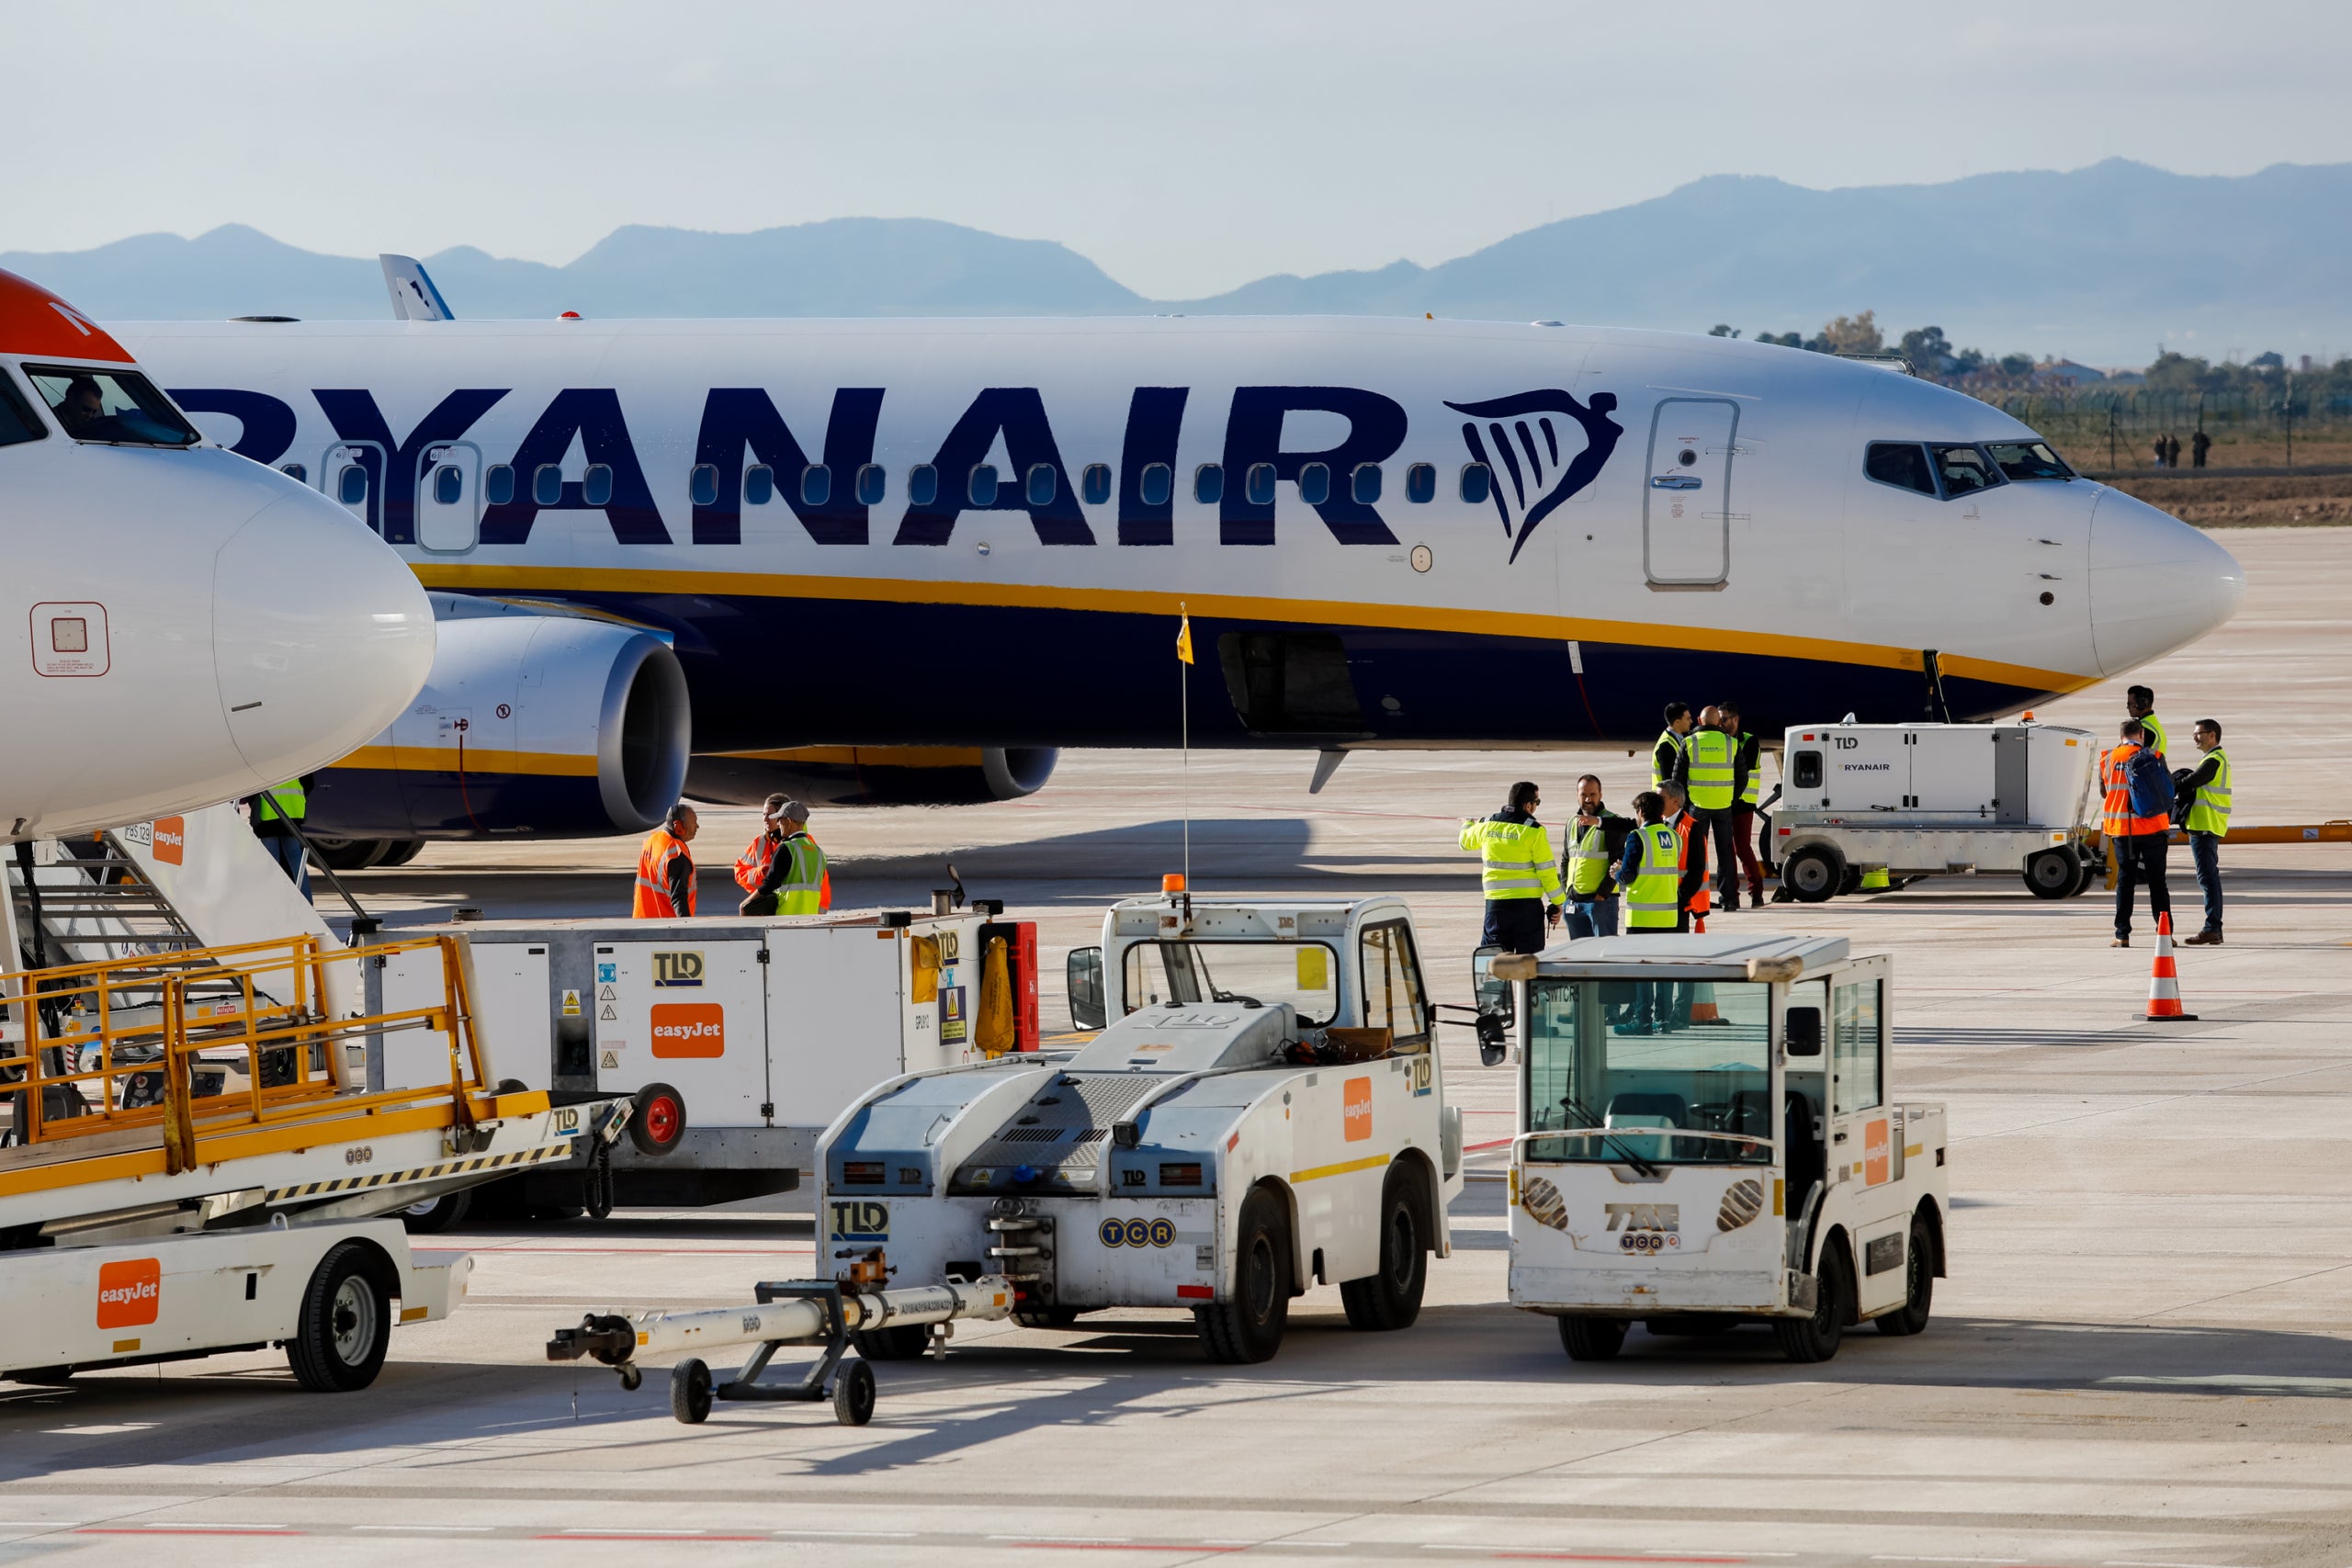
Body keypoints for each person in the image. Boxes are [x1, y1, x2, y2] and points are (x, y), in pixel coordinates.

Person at [1460, 781, 1564, 954]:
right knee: (1528, 964)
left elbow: (1464, 842)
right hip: (1527, 910)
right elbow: (1547, 872)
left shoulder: (1487, 825)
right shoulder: (1534, 831)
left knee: (1494, 961)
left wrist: (1467, 824)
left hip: (1496, 907)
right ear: (1528, 806)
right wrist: (1558, 901)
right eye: (1537, 803)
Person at [1614, 791, 1683, 1034]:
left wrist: (1617, 872)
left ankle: (1643, 1020)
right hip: (1668, 916)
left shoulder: (1638, 836)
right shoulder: (1674, 837)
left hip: (1643, 915)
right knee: (1664, 972)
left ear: (1641, 812)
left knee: (1643, 972)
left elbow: (1629, 875)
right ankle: (1664, 1020)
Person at [2103, 720, 2171, 947]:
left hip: (2123, 830)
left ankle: (2122, 934)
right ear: (2141, 734)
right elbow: (2166, 788)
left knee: (2125, 881)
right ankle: (2165, 933)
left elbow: (2105, 791)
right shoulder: (2155, 755)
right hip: (2153, 827)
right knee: (2157, 882)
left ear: (2121, 735)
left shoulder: (2108, 758)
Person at [1674, 706, 1744, 913]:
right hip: (1723, 806)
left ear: (1699, 720)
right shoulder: (1731, 743)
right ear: (1719, 722)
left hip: (1697, 807)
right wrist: (1730, 797)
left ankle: (1695, 898)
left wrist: (1686, 805)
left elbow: (1677, 779)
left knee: (1696, 855)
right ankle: (1729, 899)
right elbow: (1742, 777)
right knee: (1725, 854)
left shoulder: (1689, 743)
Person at [2178, 719, 2231, 945]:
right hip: (2206, 826)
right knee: (2209, 878)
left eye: (2199, 733)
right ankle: (2214, 928)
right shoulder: (2213, 759)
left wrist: (2175, 783)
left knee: (2207, 879)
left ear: (2212, 735)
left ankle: (2213, 928)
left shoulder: (2213, 760)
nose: (2195, 737)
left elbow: (2192, 782)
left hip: (2205, 826)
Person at [1558, 773, 1629, 940]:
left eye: (1593, 795)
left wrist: (1601, 895)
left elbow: (1618, 861)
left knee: (1603, 955)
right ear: (1577, 795)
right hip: (1574, 902)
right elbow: (1565, 859)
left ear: (1600, 795)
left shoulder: (1610, 821)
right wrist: (1567, 892)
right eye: (1583, 795)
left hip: (1599, 902)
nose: (1588, 799)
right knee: (1579, 957)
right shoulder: (1572, 822)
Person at [1718, 700, 1769, 906]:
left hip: (1743, 802)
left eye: (1724, 719)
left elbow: (1743, 769)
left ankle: (1756, 891)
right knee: (1726, 850)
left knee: (1742, 848)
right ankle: (1732, 895)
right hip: (1723, 801)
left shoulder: (1748, 741)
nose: (1721, 724)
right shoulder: (1719, 741)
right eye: (1719, 720)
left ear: (1736, 719)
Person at [741, 799, 826, 916]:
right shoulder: (819, 852)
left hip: (785, 916)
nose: (778, 824)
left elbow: (770, 884)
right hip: (809, 917)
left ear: (789, 821)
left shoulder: (787, 848)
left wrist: (746, 903)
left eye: (780, 820)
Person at [245, 773, 317, 899]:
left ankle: (272, 902)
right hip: (292, 815)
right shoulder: (296, 758)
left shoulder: (262, 759)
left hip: (267, 816)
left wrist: (254, 803)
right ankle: (306, 902)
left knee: (271, 864)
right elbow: (309, 783)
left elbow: (250, 788)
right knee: (297, 862)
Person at [633, 803, 698, 917]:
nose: (697, 826)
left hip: (642, 920)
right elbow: (679, 898)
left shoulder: (652, 841)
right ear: (678, 827)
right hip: (666, 926)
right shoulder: (676, 854)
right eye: (693, 822)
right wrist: (686, 928)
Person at [734, 794, 789, 897]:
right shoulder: (760, 843)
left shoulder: (802, 844)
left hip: (794, 910)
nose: (765, 820)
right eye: (764, 814)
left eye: (769, 815)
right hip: (768, 908)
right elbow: (740, 872)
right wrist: (762, 873)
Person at [1650, 703, 1693, 793]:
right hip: (1664, 801)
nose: (1691, 721)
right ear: (1677, 722)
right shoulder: (1666, 746)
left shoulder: (1680, 738)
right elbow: (1668, 782)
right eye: (1688, 719)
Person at [2126, 684, 2168, 760]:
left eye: (2130, 704)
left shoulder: (2144, 729)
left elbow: (2130, 756)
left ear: (2141, 704)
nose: (2127, 707)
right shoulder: (2153, 723)